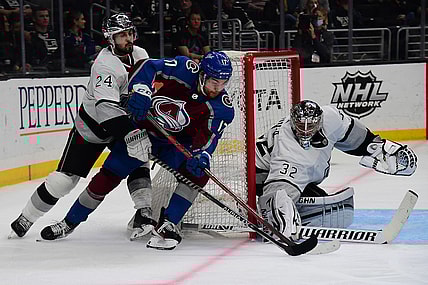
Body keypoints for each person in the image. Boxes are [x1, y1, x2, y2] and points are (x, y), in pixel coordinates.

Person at [38, 51, 234, 251]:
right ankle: (69, 222)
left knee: (197, 175)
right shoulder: (184, 68)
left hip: (173, 145)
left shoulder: (222, 107)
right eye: (214, 82)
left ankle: (169, 223)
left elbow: (211, 136)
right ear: (202, 75)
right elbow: (148, 66)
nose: (217, 88)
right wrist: (141, 91)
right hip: (142, 134)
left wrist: (203, 154)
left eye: (223, 83)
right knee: (106, 177)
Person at [9, 13, 150, 239]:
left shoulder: (141, 55)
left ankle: (145, 212)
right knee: (63, 181)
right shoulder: (104, 65)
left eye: (130, 33)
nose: (128, 39)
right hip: (93, 128)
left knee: (138, 160)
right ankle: (27, 217)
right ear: (109, 38)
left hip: (120, 122)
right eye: (122, 35)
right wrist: (132, 133)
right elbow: (105, 111)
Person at [255, 100, 417, 241]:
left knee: (330, 208)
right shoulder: (289, 150)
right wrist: (278, 215)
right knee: (317, 213)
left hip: (275, 169)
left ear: (320, 121)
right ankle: (278, 219)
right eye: (300, 125)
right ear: (292, 122)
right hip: (257, 174)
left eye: (310, 125)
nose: (304, 131)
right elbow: (278, 186)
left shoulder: (331, 118)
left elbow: (355, 137)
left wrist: (378, 148)